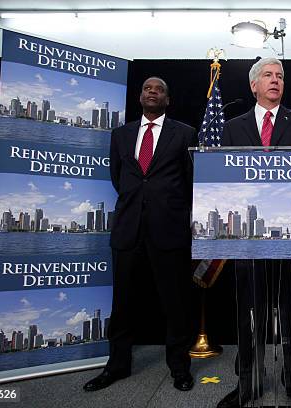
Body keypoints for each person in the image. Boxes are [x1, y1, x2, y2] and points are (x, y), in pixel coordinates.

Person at [217, 58, 291, 408]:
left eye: (279, 76)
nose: (275, 80)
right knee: (250, 310)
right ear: (254, 85)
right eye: (267, 75)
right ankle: (248, 381)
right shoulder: (233, 126)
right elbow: (220, 173)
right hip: (248, 238)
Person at [84, 77, 197, 392]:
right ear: (140, 96)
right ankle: (116, 366)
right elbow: (118, 178)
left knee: (175, 304)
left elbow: (190, 183)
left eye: (159, 89)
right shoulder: (120, 135)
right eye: (148, 88)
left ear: (167, 99)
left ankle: (179, 368)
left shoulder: (185, 133)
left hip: (169, 230)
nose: (153, 91)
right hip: (128, 230)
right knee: (122, 304)